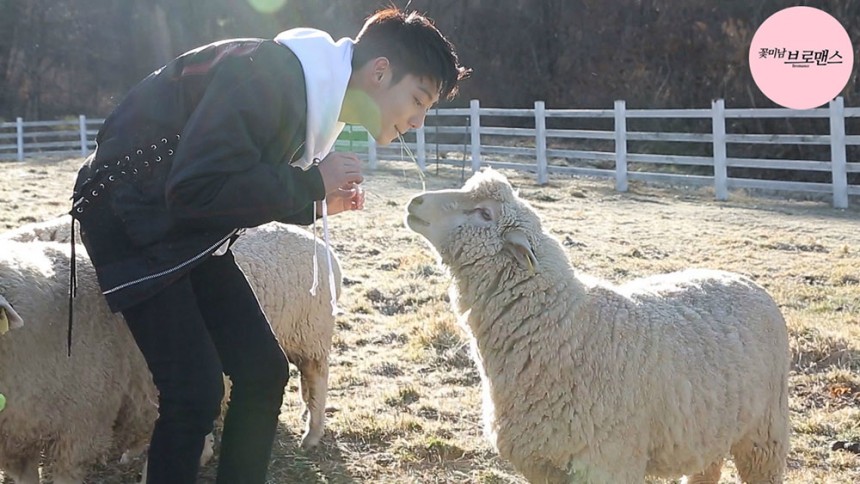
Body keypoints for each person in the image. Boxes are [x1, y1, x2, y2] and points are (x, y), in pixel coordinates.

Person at [68, 7, 469, 484]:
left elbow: (227, 184)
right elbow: (196, 187)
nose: (419, 121)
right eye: (418, 100)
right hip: (130, 218)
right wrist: (308, 184)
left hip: (182, 227)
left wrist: (313, 206)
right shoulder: (271, 77)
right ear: (380, 72)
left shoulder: (307, 93)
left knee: (262, 372)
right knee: (193, 392)